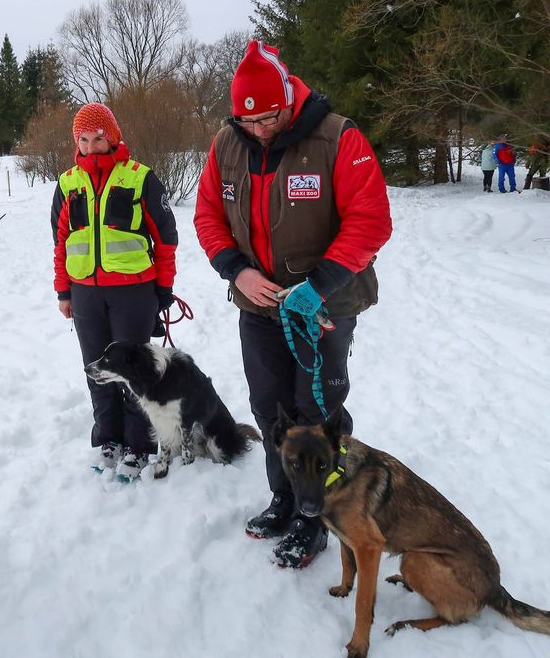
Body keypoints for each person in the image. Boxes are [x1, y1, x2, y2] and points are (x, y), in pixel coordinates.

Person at [193, 41, 392, 568]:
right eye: (247, 119)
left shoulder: (338, 138)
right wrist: (237, 269)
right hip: (258, 306)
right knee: (270, 408)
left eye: (270, 117)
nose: (259, 129)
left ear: (288, 98)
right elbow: (207, 216)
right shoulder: (225, 145)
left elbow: (370, 220)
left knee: (316, 413)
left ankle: (320, 513)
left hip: (323, 304)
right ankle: (284, 497)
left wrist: (318, 283)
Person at [51, 103, 178, 481]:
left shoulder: (140, 178)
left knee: (136, 372)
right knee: (97, 370)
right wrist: (63, 292)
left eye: (98, 138)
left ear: (113, 137)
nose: (91, 146)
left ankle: (139, 445)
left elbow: (166, 240)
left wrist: (164, 289)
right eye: (83, 140)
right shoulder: (67, 183)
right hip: (86, 294)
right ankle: (108, 439)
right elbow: (61, 243)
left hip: (133, 294)